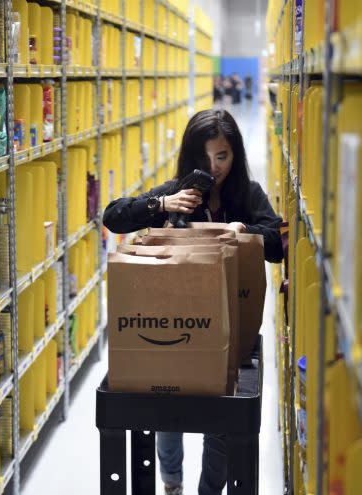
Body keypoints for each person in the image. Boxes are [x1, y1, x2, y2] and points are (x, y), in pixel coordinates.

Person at [102, 109, 283, 495]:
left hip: (231, 335)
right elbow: (113, 216)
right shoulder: (176, 192)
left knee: (220, 428)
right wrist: (164, 205)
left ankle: (206, 491)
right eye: (204, 159)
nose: (214, 168)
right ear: (190, 158)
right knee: (170, 413)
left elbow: (278, 244)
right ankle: (172, 483)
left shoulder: (248, 195)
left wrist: (242, 229)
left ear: (235, 155)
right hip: (178, 325)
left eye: (222, 157)